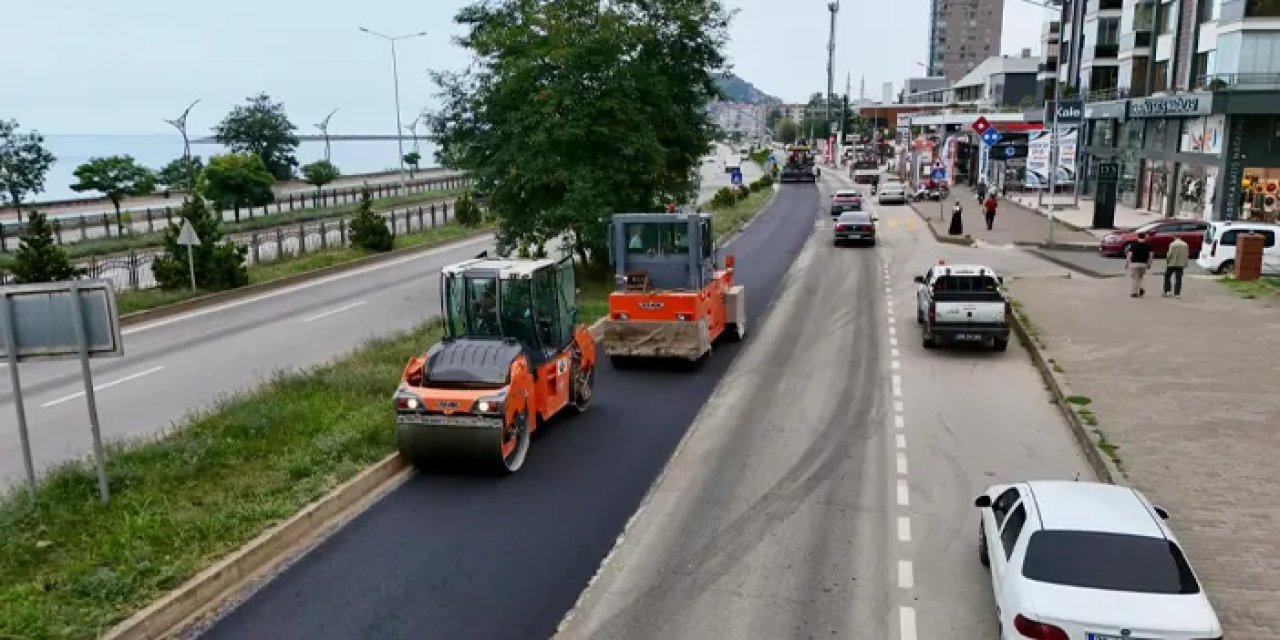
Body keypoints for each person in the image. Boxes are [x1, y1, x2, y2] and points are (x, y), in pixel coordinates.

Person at [1125, 233, 1153, 298]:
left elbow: (1130, 255)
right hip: (1143, 264)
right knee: (1140, 277)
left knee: (1135, 278)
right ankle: (1141, 288)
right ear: (1144, 237)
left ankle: (1134, 292)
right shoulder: (1148, 246)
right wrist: (1149, 264)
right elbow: (1151, 256)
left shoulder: (1133, 245)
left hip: (1134, 264)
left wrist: (1127, 263)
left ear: (1138, 237)